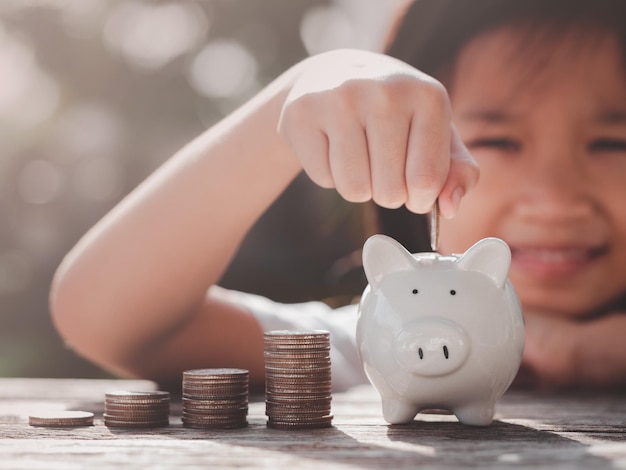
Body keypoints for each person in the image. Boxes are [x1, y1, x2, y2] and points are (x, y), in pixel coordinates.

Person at [49, 0, 626, 392]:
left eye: (612, 143)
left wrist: (595, 353)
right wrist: (291, 106)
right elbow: (108, 319)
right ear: (412, 144)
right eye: (499, 140)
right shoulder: (378, 347)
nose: (554, 200)